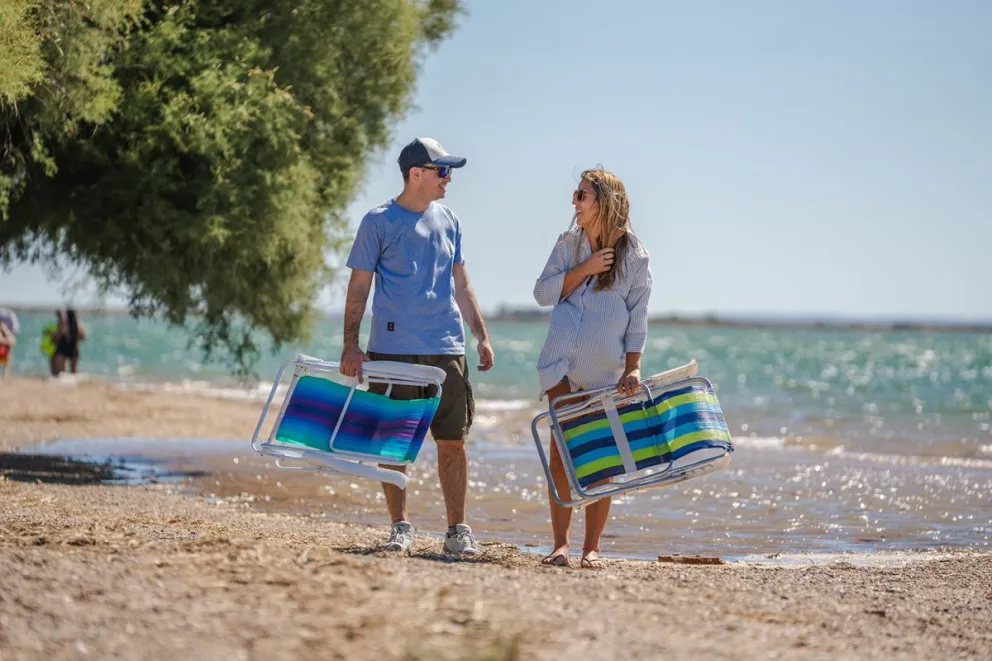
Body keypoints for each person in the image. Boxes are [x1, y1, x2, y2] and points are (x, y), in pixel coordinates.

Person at [339, 137, 495, 556]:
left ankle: (457, 530)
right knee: (393, 442)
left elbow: (461, 284)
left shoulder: (451, 220)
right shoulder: (378, 222)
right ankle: (400, 528)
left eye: (450, 171)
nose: (449, 178)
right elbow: (359, 287)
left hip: (447, 347)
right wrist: (351, 346)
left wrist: (481, 335)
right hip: (392, 349)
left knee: (453, 441)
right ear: (416, 174)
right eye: (443, 171)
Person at [532, 167, 653, 569]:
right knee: (561, 453)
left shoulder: (635, 256)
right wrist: (584, 268)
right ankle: (560, 546)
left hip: (606, 374)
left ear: (605, 202)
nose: (574, 202)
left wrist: (632, 368)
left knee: (600, 458)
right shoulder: (568, 244)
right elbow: (542, 293)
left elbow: (638, 318)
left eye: (581, 195)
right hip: (560, 367)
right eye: (576, 194)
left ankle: (592, 548)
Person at [53, 308, 86, 376]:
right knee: (73, 373)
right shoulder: (77, 323)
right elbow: (82, 337)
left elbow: (60, 334)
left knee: (61, 373)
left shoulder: (63, 322)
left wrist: (52, 336)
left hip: (64, 346)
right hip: (74, 347)